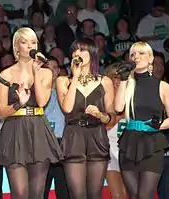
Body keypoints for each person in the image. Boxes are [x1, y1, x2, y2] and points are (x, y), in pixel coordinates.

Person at [0, 27, 62, 199]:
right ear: (16, 47)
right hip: (14, 131)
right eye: (24, 42)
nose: (30, 46)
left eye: (33, 42)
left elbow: (41, 102)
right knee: (20, 193)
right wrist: (18, 104)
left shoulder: (45, 72)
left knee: (37, 193)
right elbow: (1, 112)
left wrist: (36, 72)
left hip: (38, 129)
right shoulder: (6, 74)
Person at [115, 41, 169, 199]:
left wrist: (160, 125)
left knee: (145, 196)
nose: (136, 56)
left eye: (141, 53)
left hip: (152, 143)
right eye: (133, 54)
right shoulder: (128, 85)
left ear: (151, 59)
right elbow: (118, 107)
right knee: (134, 196)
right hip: (129, 143)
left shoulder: (162, 86)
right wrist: (123, 80)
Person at [56, 38, 116, 199]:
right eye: (75, 50)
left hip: (97, 136)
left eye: (82, 50)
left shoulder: (105, 81)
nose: (77, 53)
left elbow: (112, 117)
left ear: (92, 53)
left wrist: (100, 115)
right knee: (77, 195)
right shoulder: (63, 81)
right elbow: (67, 108)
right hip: (74, 137)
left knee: (95, 194)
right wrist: (75, 77)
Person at [43, 57, 70, 199]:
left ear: (59, 70)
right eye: (48, 67)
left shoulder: (66, 91)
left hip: (62, 143)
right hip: (43, 143)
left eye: (54, 68)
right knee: (42, 188)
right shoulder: (38, 92)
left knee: (63, 188)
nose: (51, 71)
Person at [103, 63, 127, 199]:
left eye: (120, 78)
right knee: (118, 195)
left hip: (128, 154)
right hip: (109, 153)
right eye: (114, 78)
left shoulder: (131, 101)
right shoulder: (103, 102)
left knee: (128, 193)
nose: (117, 81)